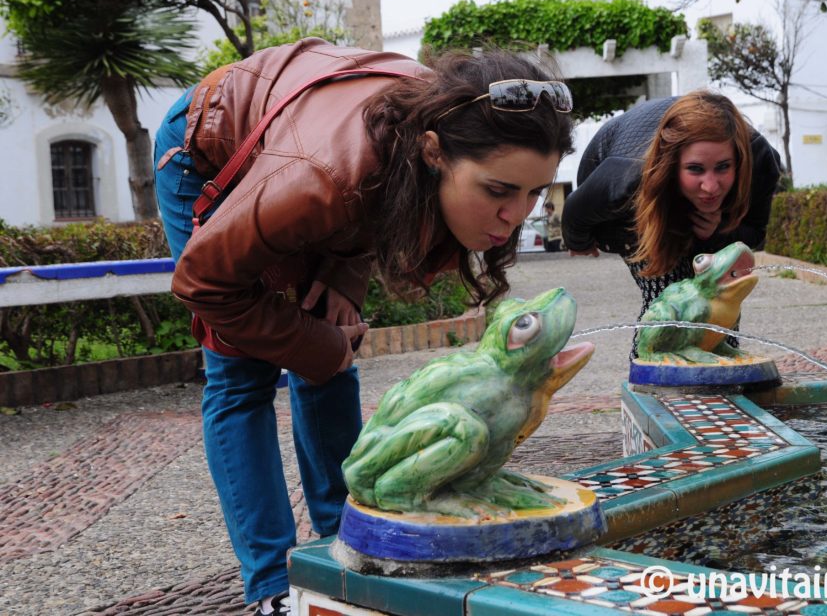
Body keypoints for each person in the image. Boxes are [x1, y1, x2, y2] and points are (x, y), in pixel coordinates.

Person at [153, 38, 574, 615]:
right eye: (498, 191)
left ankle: (348, 539)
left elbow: (373, 189)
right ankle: (276, 585)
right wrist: (319, 346)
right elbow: (203, 283)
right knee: (241, 376)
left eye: (533, 193)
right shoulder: (319, 181)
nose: (516, 215)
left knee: (332, 337)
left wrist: (341, 285)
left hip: (303, 144)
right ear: (433, 153)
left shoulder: (444, 128)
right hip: (210, 147)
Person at [561, 90, 782, 348]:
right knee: (669, 298)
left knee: (721, 292)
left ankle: (724, 369)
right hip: (633, 203)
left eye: (723, 167)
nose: (710, 187)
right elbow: (574, 213)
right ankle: (652, 375)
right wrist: (581, 242)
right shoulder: (626, 180)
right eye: (695, 169)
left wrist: (719, 231)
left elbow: (755, 234)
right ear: (672, 164)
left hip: (683, 200)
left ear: (740, 160)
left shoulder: (760, 162)